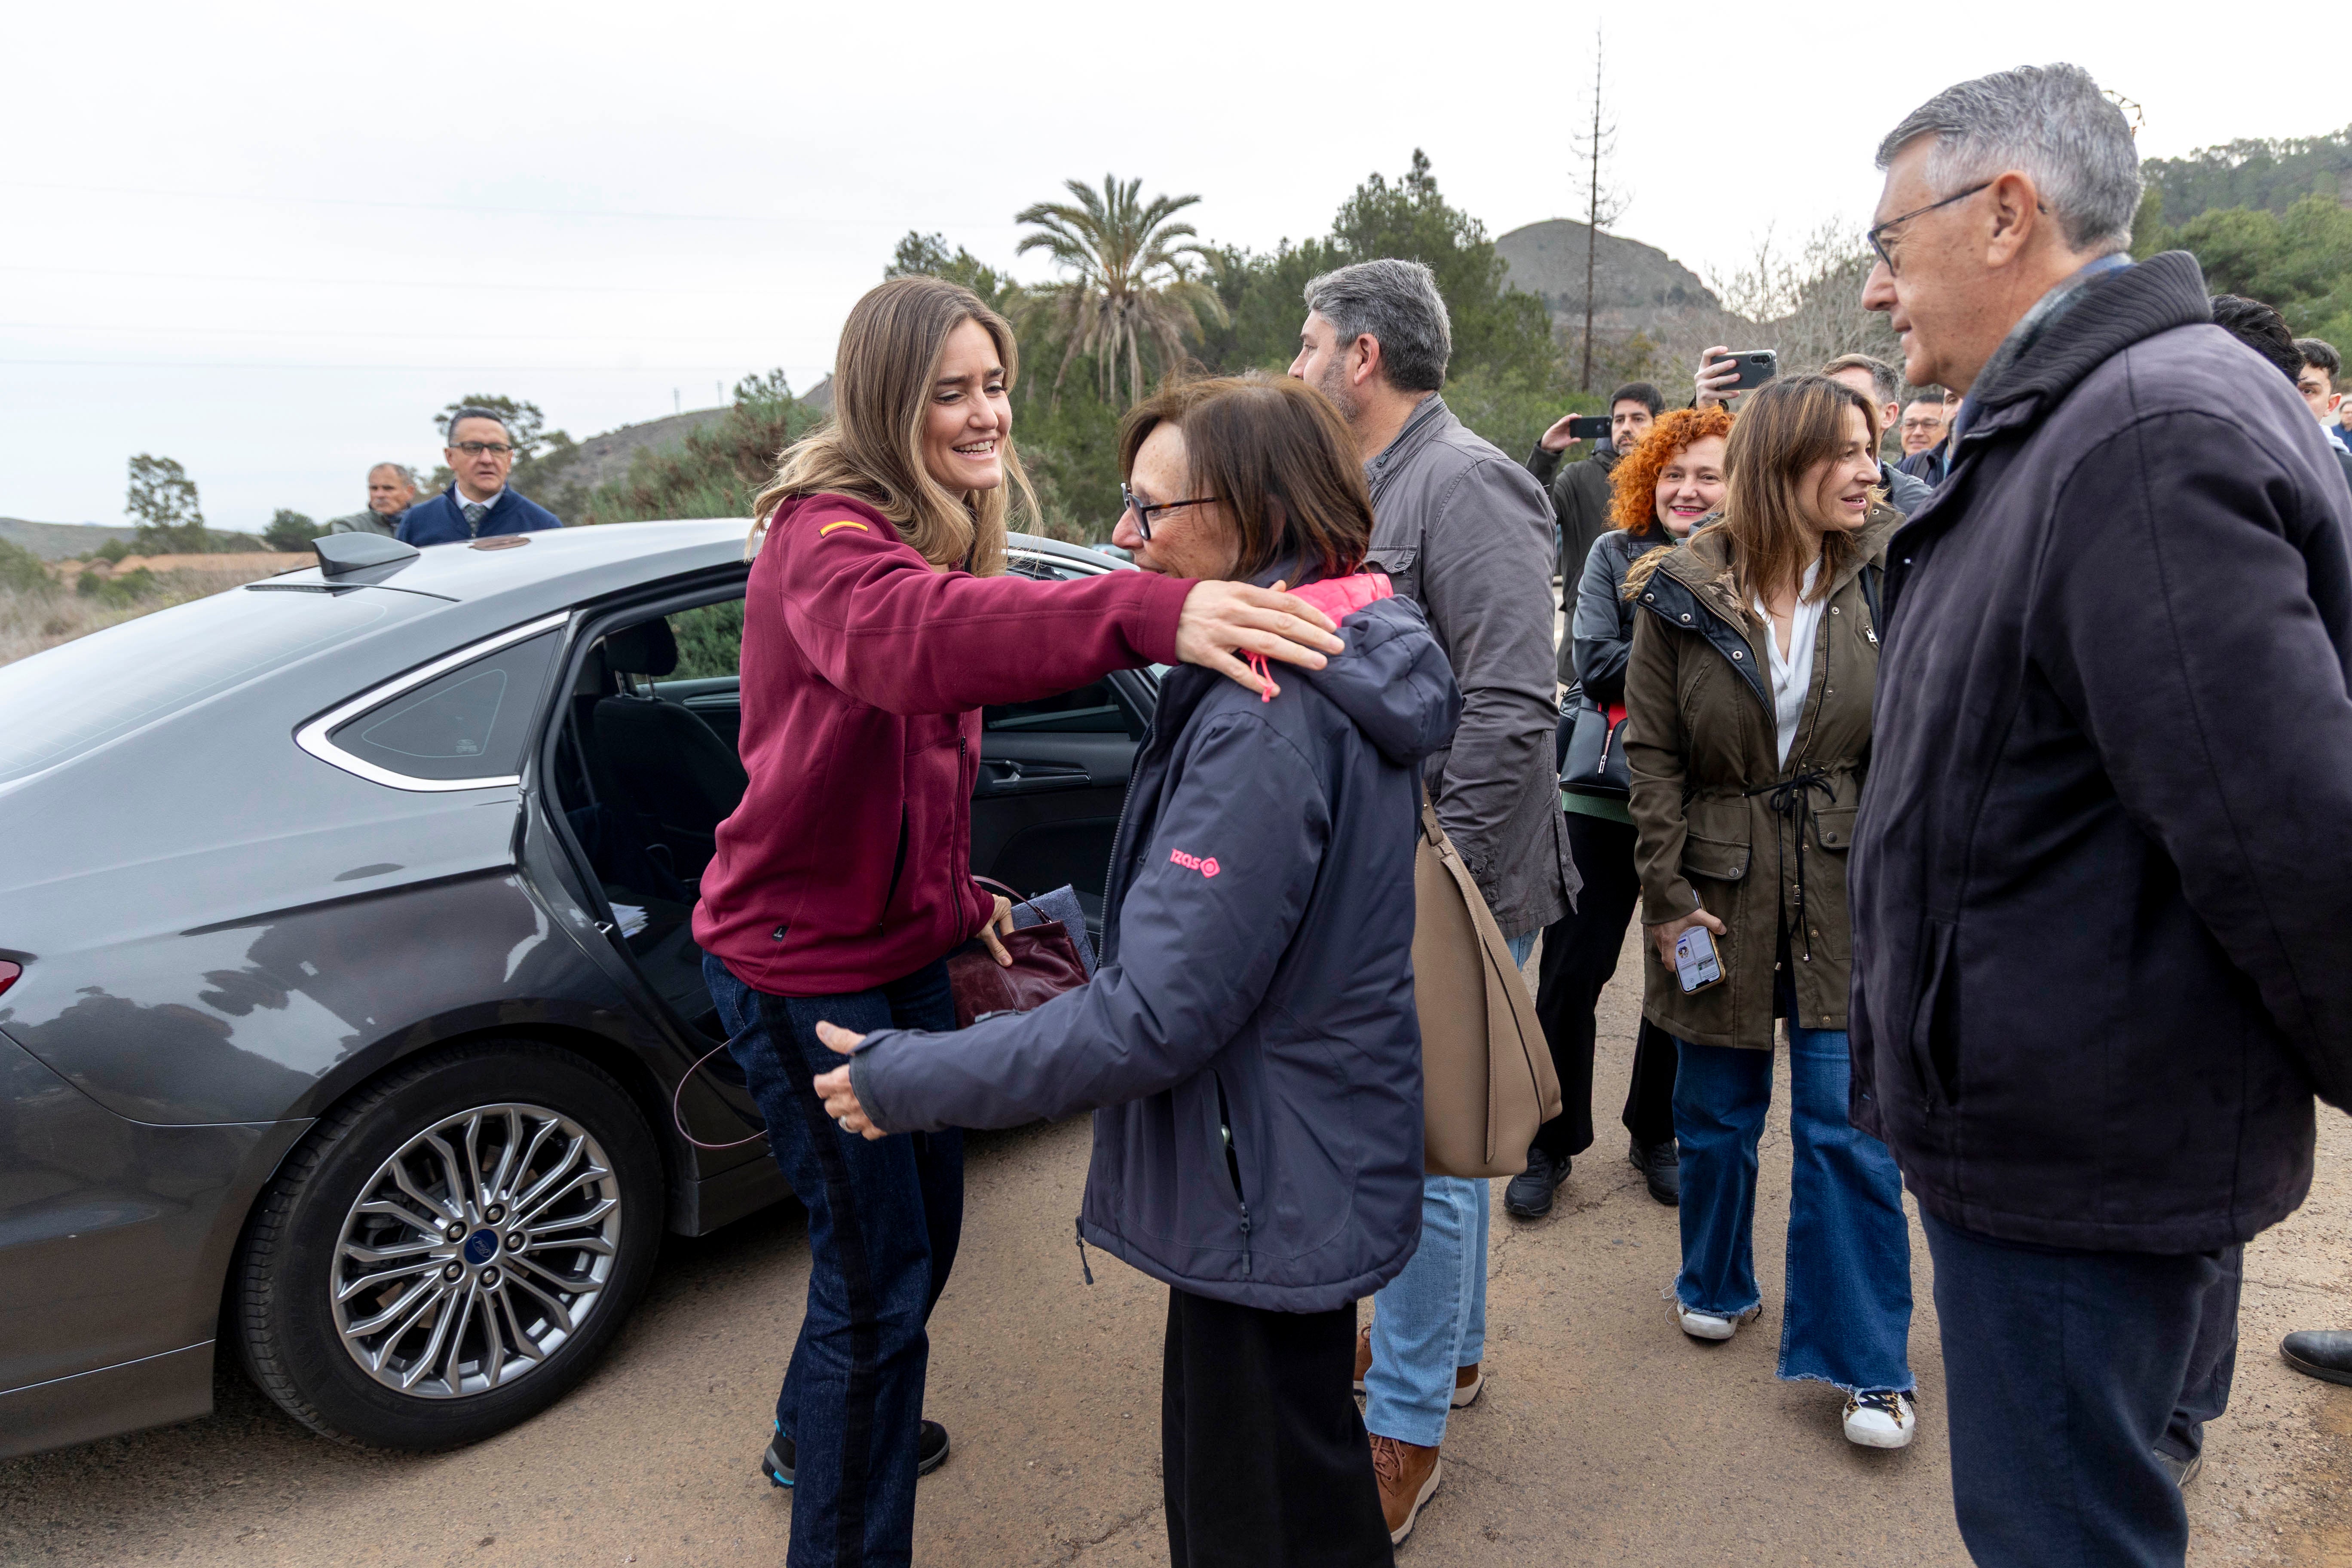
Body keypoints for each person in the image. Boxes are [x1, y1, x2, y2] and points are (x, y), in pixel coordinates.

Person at [692, 276, 1346, 1566]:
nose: (985, 411)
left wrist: (958, 898)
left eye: (993, 384)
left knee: (911, 1245)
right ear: (886, 401)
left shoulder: (935, 533)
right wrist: (1161, 610)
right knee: (877, 1294)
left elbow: (906, 763)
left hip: (905, 952)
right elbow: (914, 648)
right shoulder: (828, 542)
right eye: (950, 391)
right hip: (803, 974)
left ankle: (811, 1427)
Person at [808, 372, 1456, 1568]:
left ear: (1257, 512)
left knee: (1256, 1519)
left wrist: (913, 1081)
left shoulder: (1268, 706)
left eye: (1151, 509)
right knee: (1298, 1489)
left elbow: (1156, 1017)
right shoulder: (1350, 639)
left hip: (1262, 1178)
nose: (1121, 535)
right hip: (1298, 1153)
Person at [1852, 64, 2352, 1567]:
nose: (1880, 292)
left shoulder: (2136, 431)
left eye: (1892, 244)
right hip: (2088, 1115)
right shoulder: (2093, 412)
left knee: (2064, 1531)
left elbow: (2284, 828)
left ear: (2007, 214)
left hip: (2085, 1146)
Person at [1288, 257, 1574, 1542]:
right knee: (1440, 1142)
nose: (1294, 368)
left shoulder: (1468, 484)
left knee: (1431, 1147)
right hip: (1397, 869)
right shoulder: (1362, 484)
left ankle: (1404, 1426)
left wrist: (1430, 871)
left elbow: (1516, 705)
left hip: (1453, 875)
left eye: (1307, 346)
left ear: (1361, 356)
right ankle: (1445, 1356)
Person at [1620, 374, 1917, 1450]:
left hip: (1847, 886)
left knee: (1846, 1126)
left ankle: (1868, 1363)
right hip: (1716, 883)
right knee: (1713, 1107)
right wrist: (1665, 894)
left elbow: (1919, 741)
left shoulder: (1893, 571)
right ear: (1778, 466)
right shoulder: (1672, 589)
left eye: (1869, 446)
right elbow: (1648, 755)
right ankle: (1713, 1275)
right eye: (1840, 450)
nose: (1866, 469)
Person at [1517, 405, 1733, 1218]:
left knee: (1686, 975)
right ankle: (1549, 1138)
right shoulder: (1613, 551)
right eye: (1671, 473)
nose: (1686, 489)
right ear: (1647, 477)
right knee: (1571, 973)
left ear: (1736, 482)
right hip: (1604, 796)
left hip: (1708, 806)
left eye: (1706, 474)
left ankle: (1655, 1132)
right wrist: (1705, 651)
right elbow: (1592, 661)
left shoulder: (1758, 558)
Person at [1696, 350, 1935, 513]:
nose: (1836, 408)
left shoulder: (1918, 504)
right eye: (1827, 398)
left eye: (1852, 396)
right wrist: (1706, 413)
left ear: (1889, 415)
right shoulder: (1770, 495)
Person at [1524, 381, 1664, 604]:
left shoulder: (1670, 477)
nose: (1626, 428)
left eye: (1638, 419)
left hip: (1655, 613)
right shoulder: (1578, 477)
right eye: (1619, 420)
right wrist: (1546, 454)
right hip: (1584, 612)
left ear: (1659, 424)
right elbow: (1532, 512)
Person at [397, 407, 565, 545]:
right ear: (450, 457)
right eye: (473, 448)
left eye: (497, 448)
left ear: (509, 459)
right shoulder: (416, 522)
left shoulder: (542, 527)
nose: (487, 459)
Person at [326, 462, 417, 536]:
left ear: (409, 492)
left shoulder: (425, 524)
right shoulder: (350, 528)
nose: (380, 495)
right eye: (374, 488)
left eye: (388, 488)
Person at [2295, 337, 2346, 447]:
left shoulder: (2342, 464)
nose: (2293, 399)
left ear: (2330, 405)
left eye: (2307, 391)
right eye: (2285, 386)